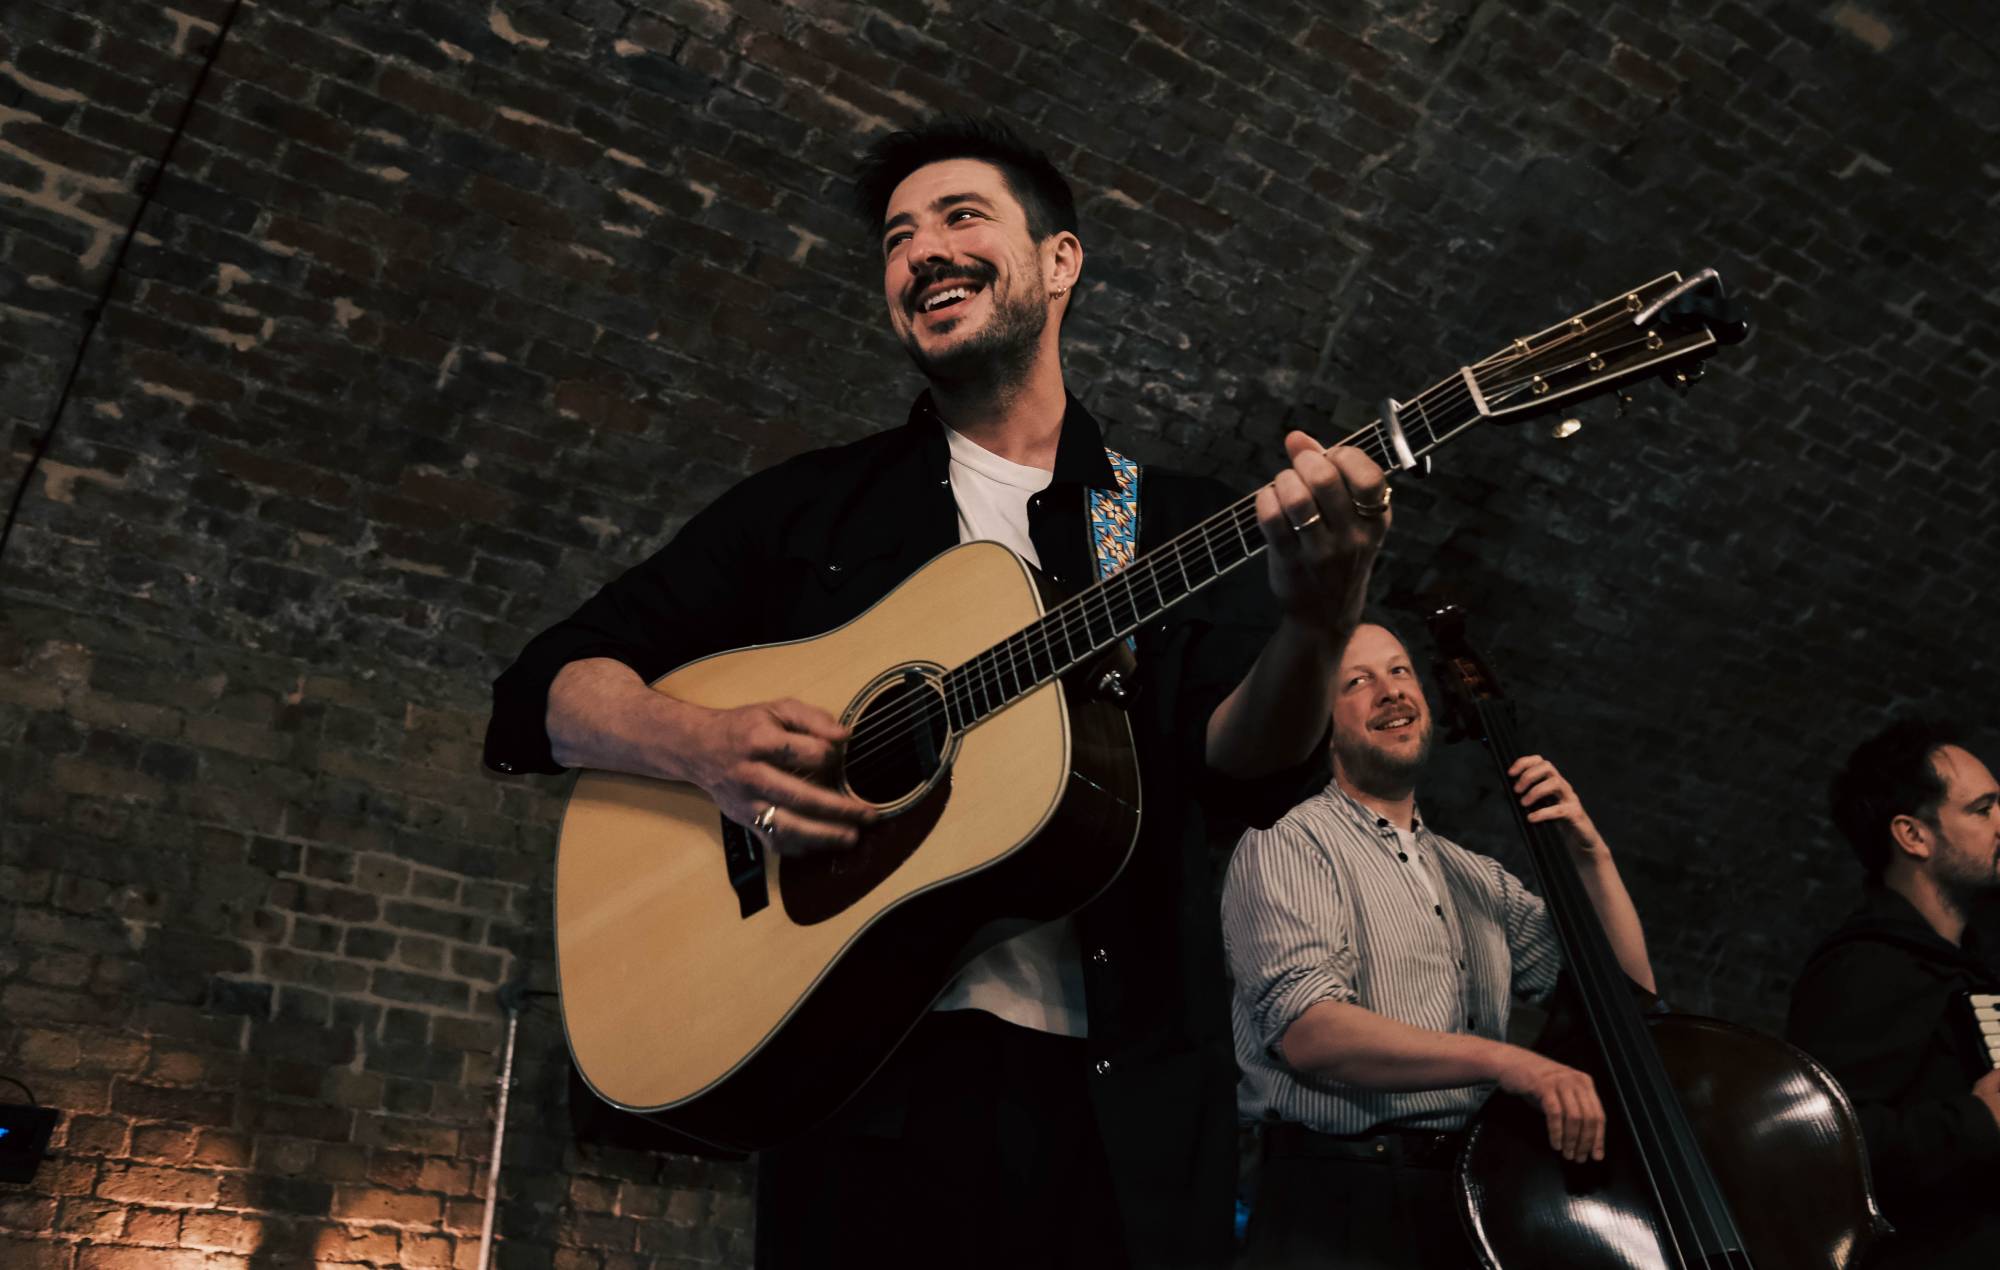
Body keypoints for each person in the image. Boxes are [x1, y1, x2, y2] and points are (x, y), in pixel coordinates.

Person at [483, 117, 1394, 1269]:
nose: (921, 251)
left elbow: (1246, 768)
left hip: (1116, 1123)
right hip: (865, 1106)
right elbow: (541, 690)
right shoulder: (807, 511)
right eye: (896, 238)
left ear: (1059, 262)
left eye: (961, 216)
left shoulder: (1169, 525)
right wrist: (697, 743)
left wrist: (1317, 620)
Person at [1220, 620, 1656, 1269]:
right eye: (1358, 682)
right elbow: (1310, 1032)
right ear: (1322, 724)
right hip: (1341, 1203)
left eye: (1400, 671)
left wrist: (1592, 855)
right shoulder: (1287, 840)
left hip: (1462, 1196)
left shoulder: (1479, 878)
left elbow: (1625, 999)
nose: (1390, 691)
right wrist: (1509, 1063)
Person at [1787, 720, 2000, 1269]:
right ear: (1913, 836)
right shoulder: (1866, 966)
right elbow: (1821, 1138)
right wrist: (1980, 1121)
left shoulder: (1972, 968)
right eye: (1983, 810)